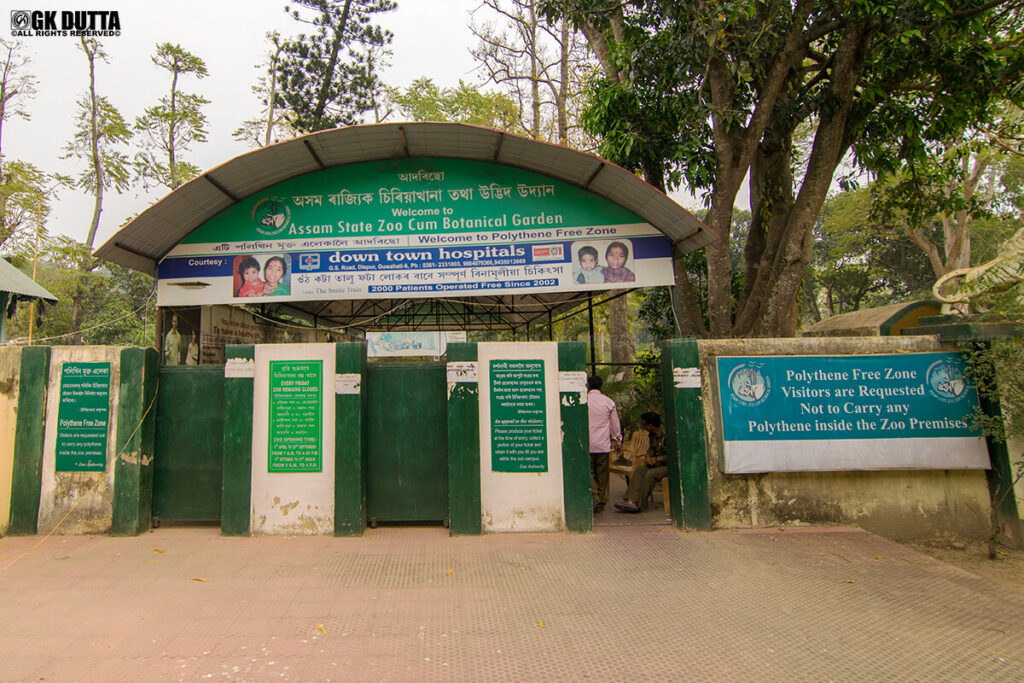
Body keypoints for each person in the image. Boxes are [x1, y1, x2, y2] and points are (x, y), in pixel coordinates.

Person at [614, 411, 666, 513]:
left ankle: (638, 503)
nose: (644, 426)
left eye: (644, 424)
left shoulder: (665, 434)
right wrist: (648, 455)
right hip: (657, 463)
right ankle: (630, 499)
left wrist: (660, 458)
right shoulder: (652, 434)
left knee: (650, 474)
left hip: (666, 465)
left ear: (651, 425)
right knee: (639, 471)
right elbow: (652, 448)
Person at [587, 375, 621, 513]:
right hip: (602, 445)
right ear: (601, 387)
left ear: (588, 386)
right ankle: (601, 501)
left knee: (589, 472)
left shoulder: (583, 401)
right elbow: (615, 424)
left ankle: (592, 495)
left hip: (587, 443)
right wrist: (618, 440)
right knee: (602, 474)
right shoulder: (608, 402)